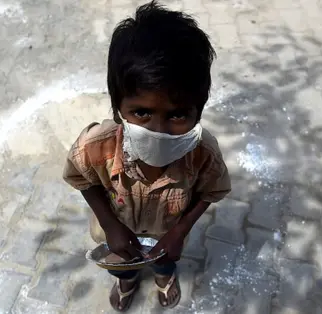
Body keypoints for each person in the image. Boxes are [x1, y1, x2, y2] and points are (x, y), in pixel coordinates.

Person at [63, 1, 231, 311]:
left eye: (178, 115)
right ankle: (125, 280)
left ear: (199, 111)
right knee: (119, 264)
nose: (159, 131)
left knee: (164, 263)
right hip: (115, 231)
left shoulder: (203, 153)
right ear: (117, 108)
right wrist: (109, 224)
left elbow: (213, 191)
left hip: (167, 235)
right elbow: (78, 176)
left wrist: (181, 231)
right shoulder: (95, 145)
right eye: (142, 112)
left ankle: (164, 278)